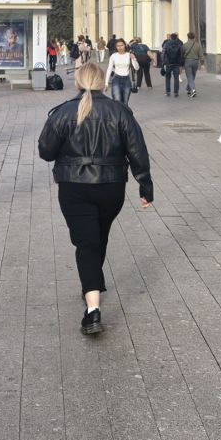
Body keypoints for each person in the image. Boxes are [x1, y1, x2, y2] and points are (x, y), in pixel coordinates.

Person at [37, 61, 153, 336]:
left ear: (78, 82)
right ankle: (91, 283)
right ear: (103, 83)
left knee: (87, 243)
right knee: (97, 238)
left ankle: (92, 310)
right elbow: (138, 151)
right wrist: (145, 186)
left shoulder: (63, 112)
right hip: (111, 187)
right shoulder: (120, 112)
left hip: (74, 187)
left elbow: (46, 151)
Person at [105, 38, 136, 103]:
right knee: (117, 101)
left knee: (125, 102)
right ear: (116, 47)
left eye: (121, 45)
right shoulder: (113, 56)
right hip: (116, 79)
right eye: (118, 46)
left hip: (127, 80)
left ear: (125, 45)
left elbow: (136, 68)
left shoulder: (129, 55)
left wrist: (134, 59)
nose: (120, 47)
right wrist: (106, 83)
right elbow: (109, 69)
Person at [160, 32, 184, 97]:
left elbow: (163, 53)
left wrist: (163, 62)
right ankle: (176, 92)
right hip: (176, 63)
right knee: (176, 78)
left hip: (168, 63)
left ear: (171, 37)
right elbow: (182, 55)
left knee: (167, 78)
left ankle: (168, 92)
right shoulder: (179, 44)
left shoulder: (166, 44)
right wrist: (181, 64)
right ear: (176, 37)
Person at [181, 32, 203, 98]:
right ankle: (188, 89)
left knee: (190, 77)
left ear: (188, 37)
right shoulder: (198, 45)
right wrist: (202, 64)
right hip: (195, 62)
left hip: (187, 62)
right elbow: (201, 55)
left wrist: (181, 65)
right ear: (194, 37)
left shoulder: (184, 45)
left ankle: (193, 90)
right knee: (192, 76)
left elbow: (182, 55)